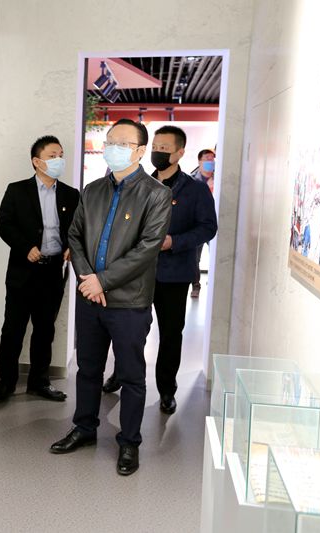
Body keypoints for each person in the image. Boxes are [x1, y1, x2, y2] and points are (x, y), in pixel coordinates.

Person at [50, 118, 171, 477]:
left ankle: (129, 441)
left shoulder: (156, 194)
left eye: (122, 143)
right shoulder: (93, 190)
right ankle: (84, 427)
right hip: (90, 299)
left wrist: (101, 281)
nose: (113, 149)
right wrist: (88, 280)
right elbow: (75, 236)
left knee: (131, 375)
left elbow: (147, 249)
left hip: (129, 303)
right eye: (110, 142)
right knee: (88, 369)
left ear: (140, 151)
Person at [103, 126, 217, 415]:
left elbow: (208, 227)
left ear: (180, 153)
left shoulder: (195, 190)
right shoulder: (137, 183)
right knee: (128, 329)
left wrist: (174, 242)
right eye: (155, 147)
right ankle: (120, 373)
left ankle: (166, 389)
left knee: (170, 334)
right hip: (135, 271)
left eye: (165, 149)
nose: (158, 153)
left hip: (174, 274)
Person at [0, 135, 80, 403]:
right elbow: (4, 224)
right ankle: (6, 382)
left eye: (61, 155)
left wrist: (71, 247)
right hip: (23, 270)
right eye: (52, 156)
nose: (59, 160)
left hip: (52, 271)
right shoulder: (17, 190)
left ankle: (39, 382)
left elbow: (77, 228)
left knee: (45, 329)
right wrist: (24, 247)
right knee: (13, 329)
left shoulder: (71, 194)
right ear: (37, 161)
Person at [189, 148, 216, 298]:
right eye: (207, 159)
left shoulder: (220, 178)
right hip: (197, 225)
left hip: (214, 224)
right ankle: (195, 285)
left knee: (216, 255)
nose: (210, 162)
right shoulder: (191, 180)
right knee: (195, 258)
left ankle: (213, 282)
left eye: (212, 159)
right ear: (199, 161)